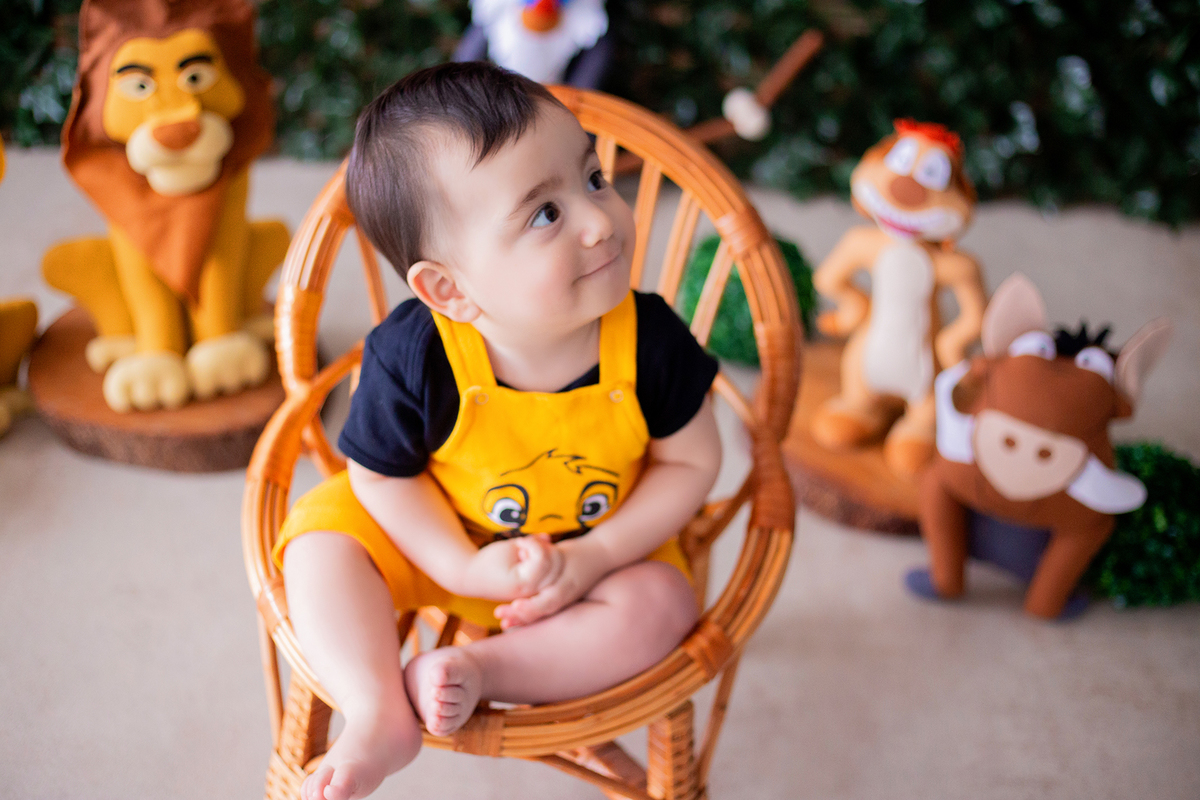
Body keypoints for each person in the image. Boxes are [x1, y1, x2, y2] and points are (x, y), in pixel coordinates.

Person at [276, 61, 722, 800]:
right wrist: (457, 568)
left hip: (593, 550)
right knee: (317, 544)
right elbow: (383, 476)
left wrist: (594, 557)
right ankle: (377, 708)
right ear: (448, 289)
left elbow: (692, 465)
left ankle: (489, 671)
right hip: (437, 533)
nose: (598, 220)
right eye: (544, 214)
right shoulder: (414, 353)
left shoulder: (650, 341)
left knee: (664, 608)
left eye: (593, 179)